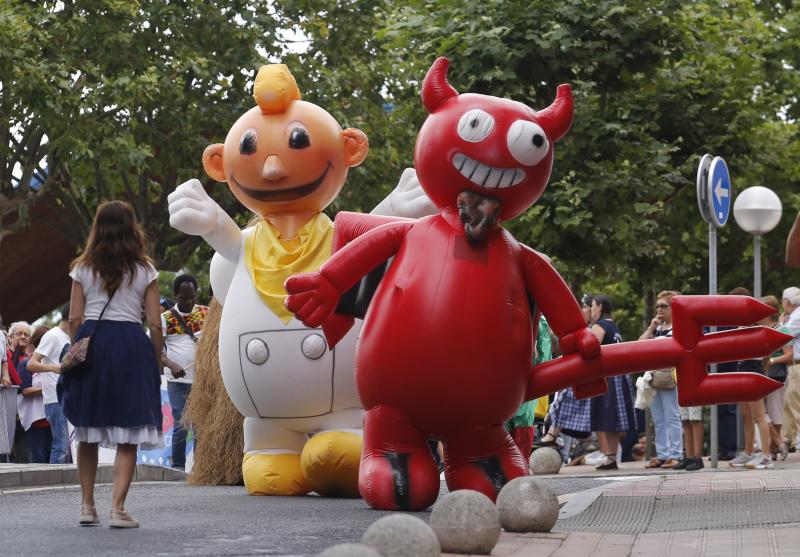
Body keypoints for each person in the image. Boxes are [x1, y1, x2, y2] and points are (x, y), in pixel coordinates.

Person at [62, 200, 163, 528]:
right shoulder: (144, 269)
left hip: (94, 342)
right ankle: (118, 509)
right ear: (132, 227)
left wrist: (79, 347)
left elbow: (74, 317)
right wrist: (156, 357)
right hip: (131, 343)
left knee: (87, 428)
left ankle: (86, 505)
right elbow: (156, 323)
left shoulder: (83, 268)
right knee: (129, 431)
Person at [161, 274, 208, 470]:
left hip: (201, 381)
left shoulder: (207, 313)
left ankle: (200, 469)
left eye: (192, 297)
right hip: (177, 382)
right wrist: (171, 364)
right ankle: (178, 468)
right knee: (181, 424)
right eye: (183, 298)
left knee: (200, 426)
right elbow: (154, 350)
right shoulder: (166, 318)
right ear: (176, 296)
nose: (188, 302)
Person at [588, 294, 637, 470]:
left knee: (608, 418)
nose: (591, 310)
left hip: (608, 378)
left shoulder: (599, 326)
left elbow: (589, 348)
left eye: (593, 306)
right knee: (612, 420)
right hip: (620, 377)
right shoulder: (613, 326)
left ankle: (610, 456)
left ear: (600, 307)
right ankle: (611, 457)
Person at [639, 291, 683, 469]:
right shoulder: (657, 329)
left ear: (674, 308)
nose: (659, 309)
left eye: (664, 306)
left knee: (672, 416)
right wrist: (650, 328)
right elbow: (639, 345)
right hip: (654, 377)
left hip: (669, 377)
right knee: (657, 418)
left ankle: (676, 454)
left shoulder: (678, 328)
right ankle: (663, 454)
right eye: (657, 306)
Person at [27, 305, 72, 464]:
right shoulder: (52, 335)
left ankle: (62, 483)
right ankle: (55, 486)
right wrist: (54, 368)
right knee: (61, 446)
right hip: (54, 398)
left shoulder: (69, 337)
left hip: (68, 397)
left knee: (67, 447)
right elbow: (31, 364)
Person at [760, 295, 792, 460]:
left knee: (774, 413)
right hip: (761, 375)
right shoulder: (759, 329)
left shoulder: (782, 330)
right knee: (762, 412)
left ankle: (773, 448)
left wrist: (770, 361)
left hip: (776, 376)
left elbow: (789, 355)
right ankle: (778, 442)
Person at [16, 326, 52, 463]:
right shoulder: (26, 364)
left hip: (51, 418)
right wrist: (47, 388)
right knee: (38, 457)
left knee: (51, 455)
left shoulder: (52, 362)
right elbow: (25, 391)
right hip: (35, 420)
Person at [779, 287, 800, 456]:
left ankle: (786, 438)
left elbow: (783, 335)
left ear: (787, 301)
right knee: (789, 401)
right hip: (795, 366)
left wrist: (781, 322)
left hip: (798, 366)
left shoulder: (797, 316)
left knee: (794, 403)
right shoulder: (794, 316)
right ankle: (785, 438)